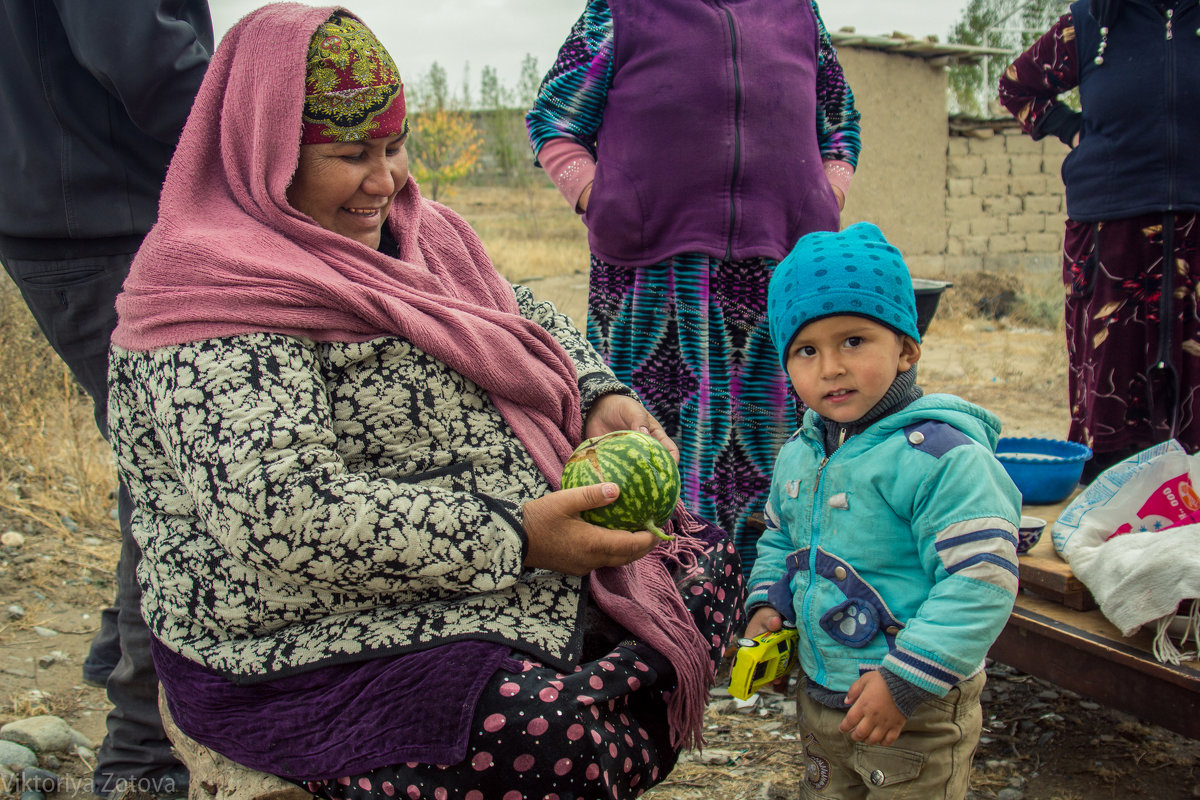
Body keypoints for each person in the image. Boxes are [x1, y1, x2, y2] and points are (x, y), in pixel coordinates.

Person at [105, 5, 745, 797]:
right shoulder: (209, 294)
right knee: (544, 739)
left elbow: (518, 315)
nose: (387, 181)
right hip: (299, 630)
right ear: (264, 152)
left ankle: (589, 676)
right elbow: (283, 515)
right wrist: (516, 537)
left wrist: (595, 389)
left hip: (479, 561)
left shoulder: (422, 233)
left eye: (395, 146)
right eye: (350, 155)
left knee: (703, 568)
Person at [525, 0, 862, 576]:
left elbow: (841, 123)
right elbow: (553, 119)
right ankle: (655, 608)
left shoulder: (796, 12)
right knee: (649, 454)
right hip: (650, 283)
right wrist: (597, 198)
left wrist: (823, 198)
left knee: (777, 453)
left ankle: (766, 600)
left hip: (772, 282)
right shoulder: (623, 10)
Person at [0, 2, 212, 795]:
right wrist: (267, 142)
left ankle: (110, 658)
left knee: (147, 458)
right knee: (175, 481)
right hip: (106, 206)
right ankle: (140, 754)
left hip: (65, 196)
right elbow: (142, 52)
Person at [744, 223, 1021, 798]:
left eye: (854, 341)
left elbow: (980, 578)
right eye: (806, 350)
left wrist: (905, 681)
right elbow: (779, 537)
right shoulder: (800, 453)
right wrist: (769, 601)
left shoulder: (942, 459)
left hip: (915, 709)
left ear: (907, 349)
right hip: (823, 697)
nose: (831, 368)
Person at [998, 0, 1200, 482]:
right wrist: (1074, 132)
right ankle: (1112, 505)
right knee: (1112, 380)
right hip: (1110, 230)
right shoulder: (1091, 22)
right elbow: (1015, 86)